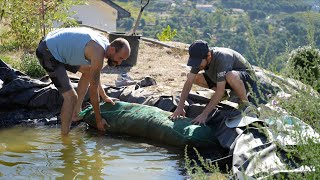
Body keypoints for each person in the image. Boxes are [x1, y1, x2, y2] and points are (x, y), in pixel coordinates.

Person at [36, 27, 131, 135]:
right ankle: (65, 140)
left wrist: (104, 97)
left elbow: (94, 76)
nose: (119, 63)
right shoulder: (98, 52)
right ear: (113, 50)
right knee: (71, 97)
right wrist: (98, 119)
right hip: (48, 52)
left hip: (57, 48)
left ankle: (76, 113)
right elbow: (93, 90)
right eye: (120, 58)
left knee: (88, 70)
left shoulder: (104, 44)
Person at [170, 40, 258, 125]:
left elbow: (224, 82)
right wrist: (180, 107)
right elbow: (189, 82)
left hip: (245, 78)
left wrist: (204, 115)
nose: (196, 65)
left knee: (230, 75)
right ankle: (223, 95)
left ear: (208, 56)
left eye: (198, 62)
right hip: (224, 77)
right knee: (192, 76)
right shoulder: (200, 59)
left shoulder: (222, 58)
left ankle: (246, 105)